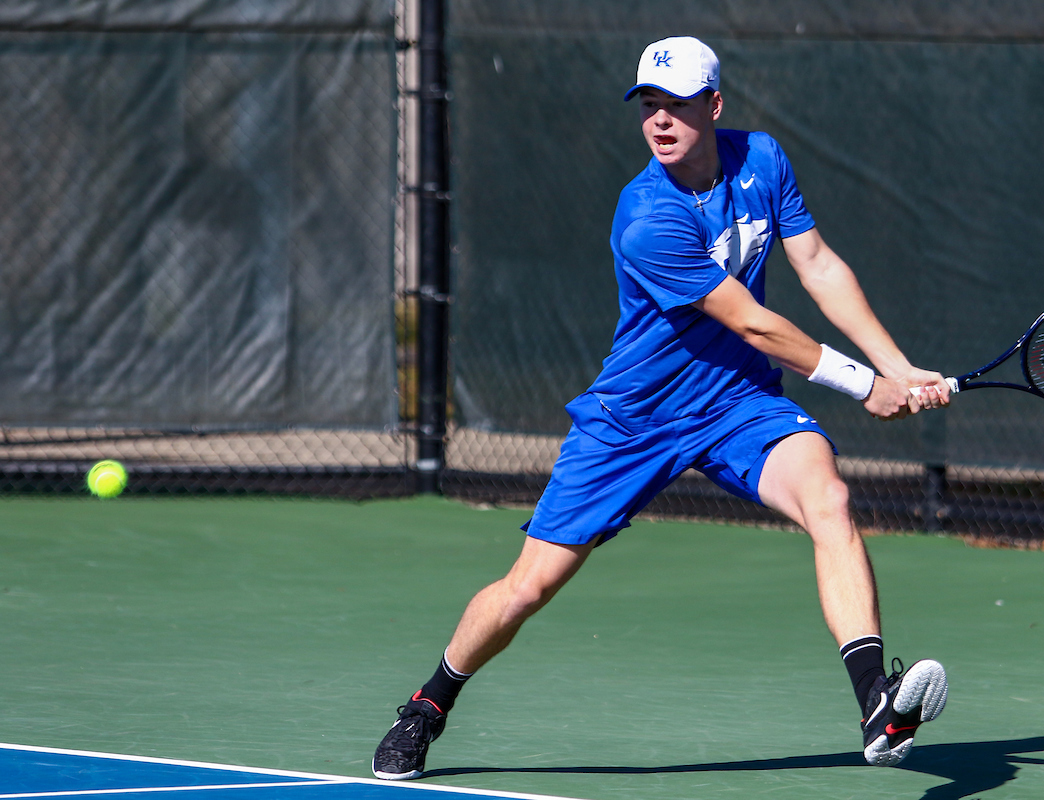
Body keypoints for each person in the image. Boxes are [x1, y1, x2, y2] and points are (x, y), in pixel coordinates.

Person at [373, 35, 951, 780]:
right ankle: (427, 705)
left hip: (740, 404)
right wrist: (862, 384)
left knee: (829, 499)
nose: (660, 122)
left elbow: (818, 264)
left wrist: (896, 364)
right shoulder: (647, 216)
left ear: (713, 106)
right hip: (634, 421)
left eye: (676, 106)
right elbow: (752, 322)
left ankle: (877, 703)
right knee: (530, 586)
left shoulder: (764, 160)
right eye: (649, 106)